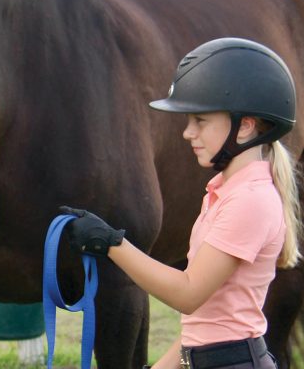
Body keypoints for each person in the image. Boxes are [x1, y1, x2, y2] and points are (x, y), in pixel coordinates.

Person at [63, 37, 302, 369]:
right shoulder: (224, 192)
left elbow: (188, 294)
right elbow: (206, 324)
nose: (188, 133)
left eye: (200, 121)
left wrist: (111, 244)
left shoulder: (250, 201)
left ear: (245, 126)